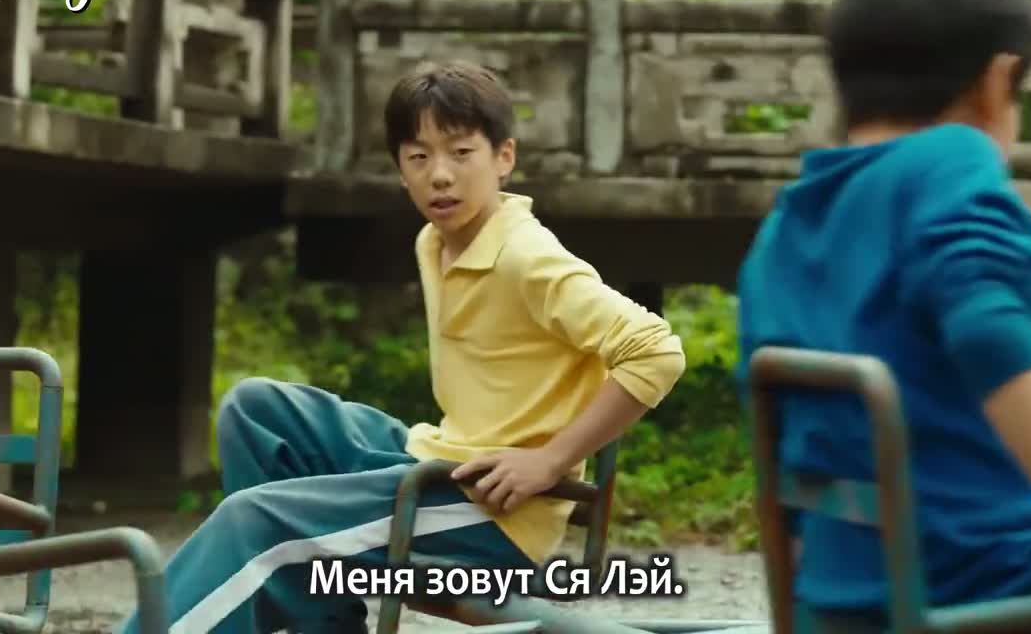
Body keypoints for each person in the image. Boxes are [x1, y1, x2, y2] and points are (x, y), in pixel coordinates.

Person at [117, 60, 685, 633]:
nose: (440, 175)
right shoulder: (435, 241)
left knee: (258, 521)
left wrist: (549, 460)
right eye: (419, 157)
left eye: (461, 154)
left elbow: (656, 351)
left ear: (503, 158)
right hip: (442, 461)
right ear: (400, 171)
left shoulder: (527, 257)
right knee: (258, 411)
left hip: (493, 511)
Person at [734, 0, 1031, 627]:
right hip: (993, 584)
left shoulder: (785, 227)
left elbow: (783, 437)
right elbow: (988, 330)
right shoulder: (954, 164)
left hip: (842, 599)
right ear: (997, 82)